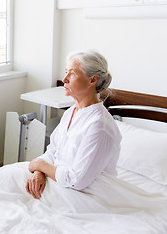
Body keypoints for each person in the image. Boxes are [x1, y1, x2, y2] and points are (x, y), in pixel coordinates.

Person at [26, 50, 121, 199]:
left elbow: (77, 180)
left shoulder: (99, 125)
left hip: (85, 194)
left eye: (72, 74)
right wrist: (39, 173)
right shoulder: (72, 112)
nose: (64, 79)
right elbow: (52, 152)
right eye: (65, 72)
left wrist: (39, 165)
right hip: (57, 179)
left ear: (92, 80)